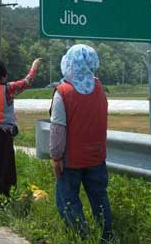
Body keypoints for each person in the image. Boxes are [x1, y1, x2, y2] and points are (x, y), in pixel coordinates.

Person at [49, 44, 113, 242]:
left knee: (67, 201)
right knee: (100, 199)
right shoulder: (99, 87)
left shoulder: (63, 92)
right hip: (96, 156)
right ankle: (106, 237)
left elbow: (58, 128)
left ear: (69, 63)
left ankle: (81, 239)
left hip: (71, 160)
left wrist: (56, 156)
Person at [0, 58, 41, 219]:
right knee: (5, 171)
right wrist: (34, 66)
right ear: (3, 77)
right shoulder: (7, 89)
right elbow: (27, 82)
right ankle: (7, 207)